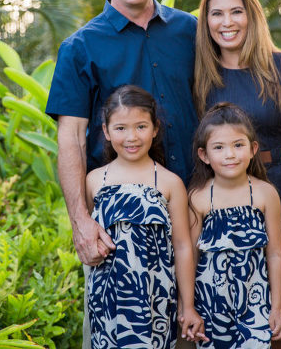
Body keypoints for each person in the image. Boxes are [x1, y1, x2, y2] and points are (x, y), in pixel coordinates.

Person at [46, 0, 198, 267]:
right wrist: (81, 222)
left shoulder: (189, 31)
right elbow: (70, 139)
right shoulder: (80, 47)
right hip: (121, 222)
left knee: (197, 321)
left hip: (195, 206)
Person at [194, 0, 281, 349]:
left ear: (252, 15)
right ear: (205, 22)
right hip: (225, 211)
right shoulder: (200, 77)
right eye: (216, 13)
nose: (227, 22)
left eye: (236, 11)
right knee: (232, 330)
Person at [85, 85, 207, 347]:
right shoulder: (94, 180)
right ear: (106, 131)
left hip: (156, 297)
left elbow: (183, 246)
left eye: (141, 126)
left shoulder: (169, 182)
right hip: (108, 299)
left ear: (155, 128)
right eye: (120, 128)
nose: (132, 137)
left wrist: (188, 305)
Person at [188, 102, 281, 348]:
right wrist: (187, 307)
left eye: (238, 145)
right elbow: (189, 256)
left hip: (255, 307)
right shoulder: (198, 198)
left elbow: (275, 254)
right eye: (219, 147)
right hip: (210, 310)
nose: (230, 154)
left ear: (253, 149)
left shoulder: (265, 194)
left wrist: (276, 309)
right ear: (204, 155)